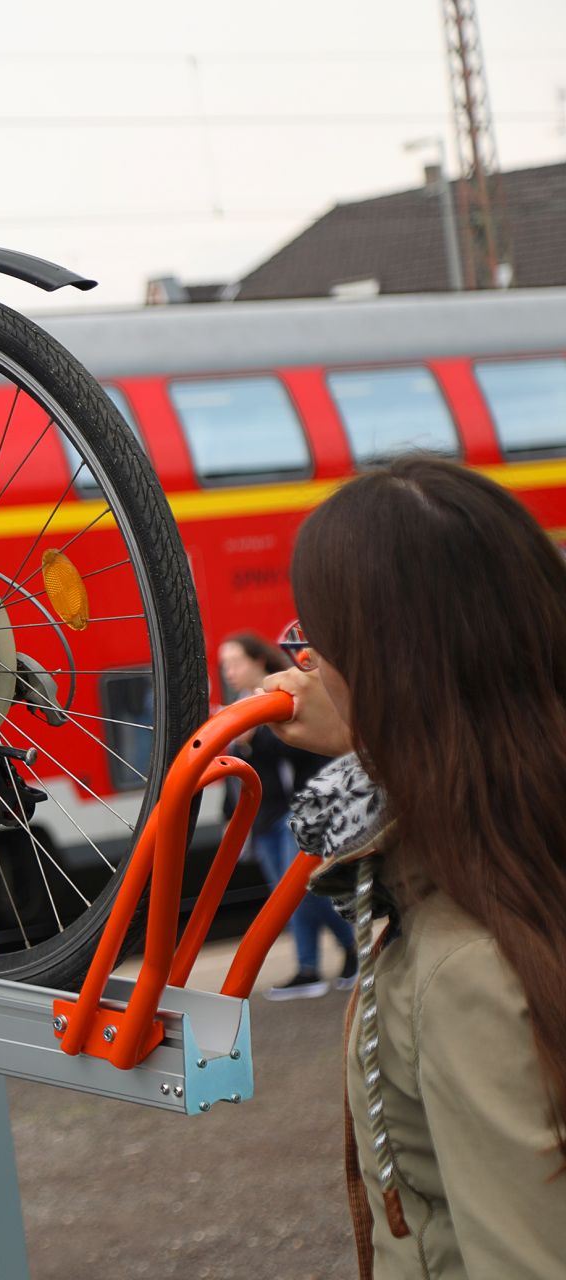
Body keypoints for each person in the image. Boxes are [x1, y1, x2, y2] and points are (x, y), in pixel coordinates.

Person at [258, 456, 566, 1278]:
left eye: (317, 643)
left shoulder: (467, 971)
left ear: (398, 676)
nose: (301, 666)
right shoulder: (521, 860)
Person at [217, 632, 358, 999]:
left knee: (295, 895)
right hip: (262, 817)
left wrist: (251, 739)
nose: (229, 671)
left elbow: (299, 750)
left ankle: (329, 960)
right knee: (293, 896)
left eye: (235, 662)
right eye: (225, 665)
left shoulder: (278, 698)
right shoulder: (241, 704)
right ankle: (326, 961)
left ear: (258, 662)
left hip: (288, 812)